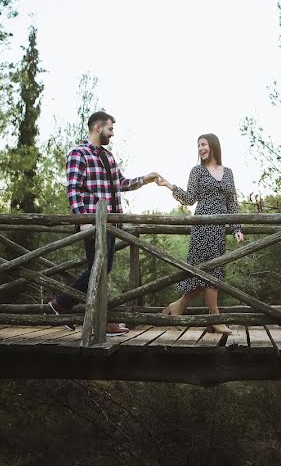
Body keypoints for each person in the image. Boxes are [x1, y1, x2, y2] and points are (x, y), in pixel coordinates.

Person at [47, 110, 158, 335]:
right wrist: (83, 221)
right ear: (97, 127)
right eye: (110, 129)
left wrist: (145, 180)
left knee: (99, 269)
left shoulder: (108, 157)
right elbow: (73, 189)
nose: (112, 134)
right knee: (100, 268)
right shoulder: (78, 153)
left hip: (111, 224)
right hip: (92, 223)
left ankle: (68, 307)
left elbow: (121, 183)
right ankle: (72, 309)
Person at [156, 133, 244, 335]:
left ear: (213, 145)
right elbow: (189, 199)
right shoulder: (197, 171)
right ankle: (215, 319)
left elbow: (232, 203)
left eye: (203, 144)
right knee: (209, 274)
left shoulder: (228, 172)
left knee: (207, 275)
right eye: (198, 146)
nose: (200, 149)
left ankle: (177, 307)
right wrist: (168, 184)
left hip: (220, 228)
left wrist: (237, 228)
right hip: (202, 226)